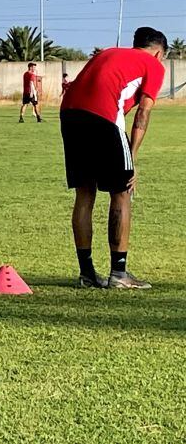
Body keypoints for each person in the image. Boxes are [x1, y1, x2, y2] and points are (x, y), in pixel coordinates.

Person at [61, 26, 167, 289]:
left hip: (69, 115)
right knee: (121, 192)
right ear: (157, 52)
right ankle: (119, 274)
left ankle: (87, 274)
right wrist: (131, 158)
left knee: (85, 193)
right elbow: (143, 112)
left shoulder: (109, 54)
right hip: (103, 116)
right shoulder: (153, 65)